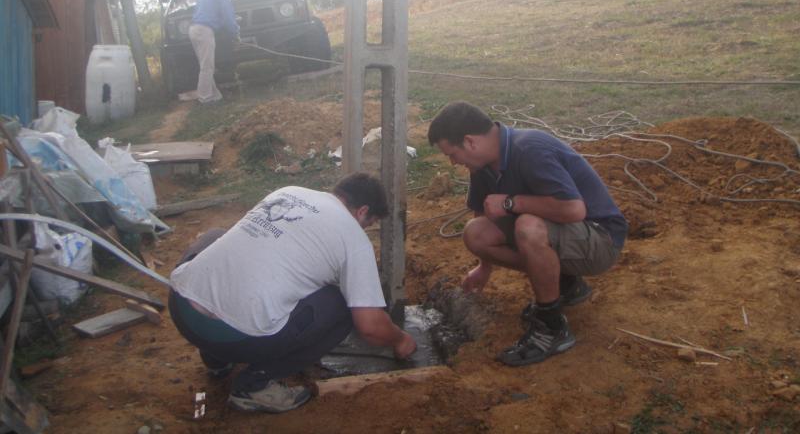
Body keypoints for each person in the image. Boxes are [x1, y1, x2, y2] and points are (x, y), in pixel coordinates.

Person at [168, 172, 416, 413]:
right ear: (362, 211)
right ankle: (254, 385)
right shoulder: (354, 240)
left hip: (182, 310)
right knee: (342, 307)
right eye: (369, 223)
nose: (365, 228)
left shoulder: (288, 192)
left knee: (215, 236)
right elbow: (369, 326)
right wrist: (400, 339)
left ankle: (216, 360)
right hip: (236, 339)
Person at [427, 101, 627, 367]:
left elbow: (574, 209)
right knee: (476, 233)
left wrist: (511, 203)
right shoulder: (482, 165)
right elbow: (483, 215)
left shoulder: (530, 149)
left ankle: (551, 327)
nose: (453, 162)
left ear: (470, 141)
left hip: (599, 240)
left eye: (452, 154)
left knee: (528, 227)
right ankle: (566, 283)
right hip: (564, 236)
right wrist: (484, 267)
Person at [178, 0, 239, 103]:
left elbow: (209, 14)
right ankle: (204, 98)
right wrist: (235, 32)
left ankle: (215, 96)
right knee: (207, 66)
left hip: (193, 29)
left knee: (205, 64)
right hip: (204, 30)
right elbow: (228, 17)